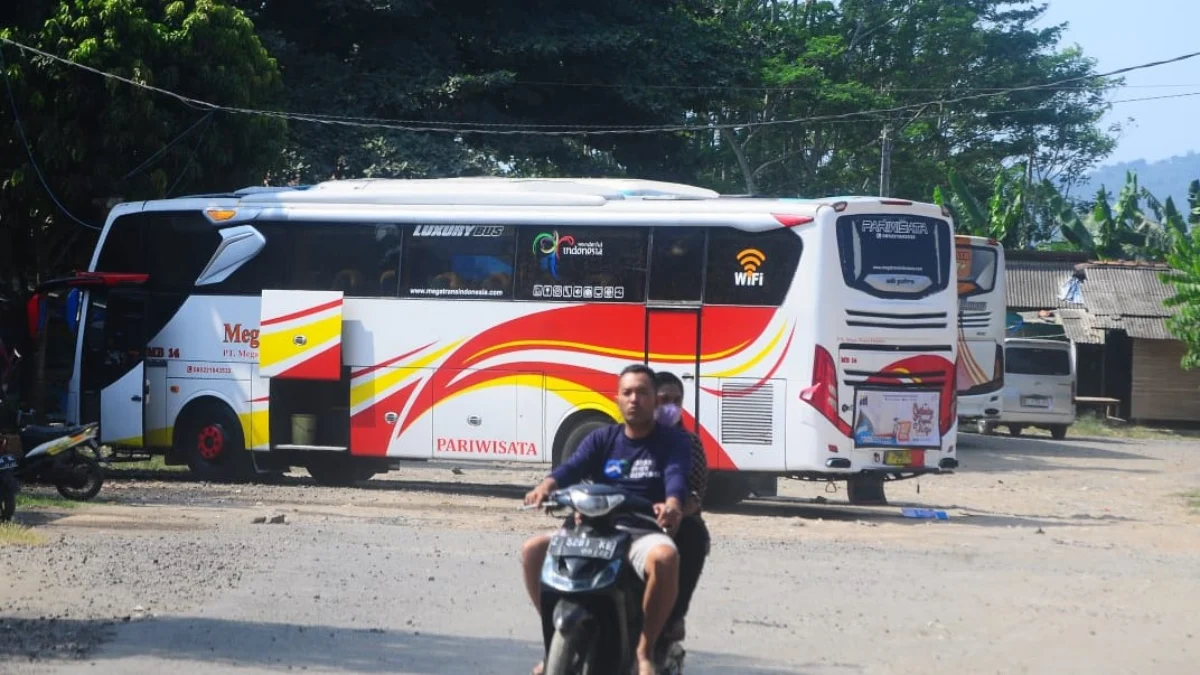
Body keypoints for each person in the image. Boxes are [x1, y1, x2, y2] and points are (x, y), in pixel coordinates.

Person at [521, 363, 692, 675]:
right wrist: (547, 485)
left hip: (638, 529)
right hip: (590, 528)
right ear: (617, 399)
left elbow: (676, 475)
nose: (634, 399)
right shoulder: (602, 439)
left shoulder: (674, 441)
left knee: (666, 557)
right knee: (533, 550)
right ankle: (555, 640)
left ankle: (644, 649)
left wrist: (671, 504)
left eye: (642, 393)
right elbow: (572, 467)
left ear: (655, 400)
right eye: (627, 393)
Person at [652, 371, 711, 645]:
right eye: (664, 399)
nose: (671, 407)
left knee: (693, 534)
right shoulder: (617, 438)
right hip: (627, 516)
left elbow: (696, 491)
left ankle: (675, 616)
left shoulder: (688, 443)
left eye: (677, 400)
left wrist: (680, 508)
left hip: (669, 521)